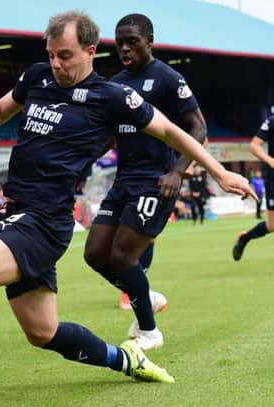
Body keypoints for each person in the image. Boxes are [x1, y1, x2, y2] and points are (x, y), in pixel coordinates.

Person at [0, 11, 255, 407]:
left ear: (90, 51)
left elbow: (172, 131)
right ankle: (128, 359)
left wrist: (220, 171)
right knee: (42, 331)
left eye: (65, 56)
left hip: (45, 219)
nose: (56, 64)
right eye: (52, 54)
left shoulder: (113, 96)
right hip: (20, 213)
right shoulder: (37, 76)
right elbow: (2, 110)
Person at [84, 13, 207, 349]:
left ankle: (148, 331)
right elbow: (109, 134)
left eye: (132, 41)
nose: (124, 47)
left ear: (149, 41)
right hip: (124, 181)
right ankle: (146, 295)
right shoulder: (117, 83)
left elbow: (199, 128)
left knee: (123, 255)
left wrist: (178, 170)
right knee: (95, 253)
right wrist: (80, 165)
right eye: (119, 42)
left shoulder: (168, 79)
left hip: (156, 181)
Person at [233, 114, 274, 260]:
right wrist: (270, 161)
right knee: (272, 225)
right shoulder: (272, 121)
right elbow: (254, 146)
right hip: (273, 179)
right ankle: (244, 239)